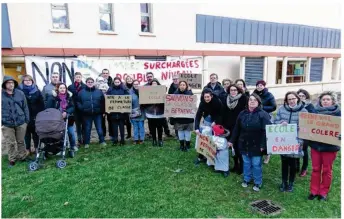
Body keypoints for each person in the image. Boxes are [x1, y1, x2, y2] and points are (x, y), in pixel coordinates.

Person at [228, 93, 271, 192]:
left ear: (258, 102)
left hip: (257, 144)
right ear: (247, 102)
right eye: (250, 100)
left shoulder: (263, 114)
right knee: (246, 163)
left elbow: (266, 131)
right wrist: (231, 140)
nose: (252, 101)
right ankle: (247, 179)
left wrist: (263, 145)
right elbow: (236, 128)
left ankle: (257, 181)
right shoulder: (242, 113)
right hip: (243, 142)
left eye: (254, 100)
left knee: (256, 164)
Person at [308, 91, 341, 201]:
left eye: (328, 99)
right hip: (316, 145)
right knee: (315, 169)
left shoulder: (339, 113)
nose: (325, 101)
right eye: (323, 99)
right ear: (320, 101)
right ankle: (314, 191)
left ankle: (323, 192)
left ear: (332, 101)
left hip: (330, 147)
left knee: (327, 170)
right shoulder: (314, 113)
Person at [274, 91, 307, 192]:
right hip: (283, 141)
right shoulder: (281, 109)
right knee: (284, 163)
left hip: (296, 141)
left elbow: (306, 128)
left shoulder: (304, 111)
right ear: (286, 101)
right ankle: (284, 182)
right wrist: (281, 123)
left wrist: (299, 132)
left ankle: (291, 183)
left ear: (297, 99)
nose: (292, 101)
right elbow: (275, 121)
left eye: (293, 98)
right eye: (289, 99)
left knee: (293, 164)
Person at [2, 76, 30, 167]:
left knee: (21, 141)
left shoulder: (20, 93)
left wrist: (26, 120)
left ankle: (23, 156)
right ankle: (12, 159)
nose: (11, 84)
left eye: (12, 82)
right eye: (8, 82)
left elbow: (25, 107)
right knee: (10, 142)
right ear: (5, 84)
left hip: (21, 122)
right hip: (7, 123)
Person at [46, 83, 77, 158]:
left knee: (71, 133)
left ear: (66, 89)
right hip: (57, 120)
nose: (62, 89)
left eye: (64, 88)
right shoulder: (53, 98)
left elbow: (72, 107)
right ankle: (60, 148)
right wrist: (58, 113)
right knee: (60, 135)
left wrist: (67, 112)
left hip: (68, 119)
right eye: (61, 88)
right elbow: (49, 108)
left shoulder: (69, 97)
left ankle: (72, 146)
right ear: (58, 89)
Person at [222, 84, 247, 175]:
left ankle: (242, 165)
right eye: (231, 90)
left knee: (238, 146)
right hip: (229, 127)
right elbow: (223, 112)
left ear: (238, 91)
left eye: (235, 90)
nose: (233, 92)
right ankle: (236, 164)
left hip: (239, 127)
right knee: (232, 147)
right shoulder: (226, 99)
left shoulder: (243, 98)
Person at [194, 88, 223, 164]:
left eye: (208, 97)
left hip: (216, 123)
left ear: (211, 96)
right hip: (206, 121)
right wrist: (196, 128)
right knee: (203, 138)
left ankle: (213, 157)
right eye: (205, 97)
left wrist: (215, 121)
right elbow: (198, 116)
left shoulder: (218, 102)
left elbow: (221, 114)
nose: (206, 98)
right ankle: (200, 156)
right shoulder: (202, 103)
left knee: (214, 140)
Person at [18, 75, 45, 154]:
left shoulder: (37, 91)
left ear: (32, 81)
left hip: (35, 116)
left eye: (30, 80)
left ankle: (36, 148)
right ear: (23, 82)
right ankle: (28, 149)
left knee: (35, 133)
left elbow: (41, 104)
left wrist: (40, 115)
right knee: (27, 134)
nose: (28, 81)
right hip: (25, 116)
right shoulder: (19, 91)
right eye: (26, 80)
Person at [77, 77, 106, 148]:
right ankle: (87, 143)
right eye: (88, 82)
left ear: (94, 83)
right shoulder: (81, 92)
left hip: (97, 114)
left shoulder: (98, 91)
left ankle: (102, 141)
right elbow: (78, 102)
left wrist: (103, 111)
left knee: (99, 128)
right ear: (86, 83)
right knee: (87, 129)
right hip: (86, 114)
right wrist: (82, 109)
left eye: (91, 82)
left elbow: (103, 102)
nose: (90, 83)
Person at [253, 80, 276, 164]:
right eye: (258, 85)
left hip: (266, 117)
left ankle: (267, 155)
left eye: (261, 85)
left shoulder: (269, 95)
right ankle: (259, 152)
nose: (259, 87)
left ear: (264, 86)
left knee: (266, 136)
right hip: (256, 117)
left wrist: (262, 108)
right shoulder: (254, 94)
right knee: (258, 135)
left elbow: (273, 106)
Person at [297, 89, 316, 177]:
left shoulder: (310, 106)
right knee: (296, 148)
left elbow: (313, 117)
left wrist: (304, 106)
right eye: (299, 96)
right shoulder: (295, 105)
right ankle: (296, 166)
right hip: (296, 130)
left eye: (302, 96)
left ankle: (304, 168)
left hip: (306, 131)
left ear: (306, 97)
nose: (301, 98)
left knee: (304, 150)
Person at [106, 77, 130, 146]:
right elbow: (108, 100)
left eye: (118, 82)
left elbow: (127, 99)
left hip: (122, 113)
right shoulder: (110, 89)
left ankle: (122, 140)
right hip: (113, 113)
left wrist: (124, 109)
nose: (117, 83)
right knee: (114, 127)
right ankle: (115, 140)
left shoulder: (124, 89)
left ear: (120, 82)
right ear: (113, 82)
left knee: (122, 126)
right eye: (115, 82)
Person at [173, 81, 194, 152]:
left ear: (186, 86)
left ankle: (187, 145)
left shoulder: (190, 94)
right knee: (180, 131)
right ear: (179, 86)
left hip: (188, 117)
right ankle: (181, 145)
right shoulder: (175, 94)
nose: (182, 86)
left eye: (184, 85)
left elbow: (193, 105)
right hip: (179, 117)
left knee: (188, 131)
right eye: (181, 85)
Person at [145, 78, 165, 146]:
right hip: (150, 113)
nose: (154, 85)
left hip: (160, 113)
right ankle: (154, 140)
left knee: (160, 128)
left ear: (158, 84)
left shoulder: (162, 92)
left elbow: (166, 102)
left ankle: (160, 140)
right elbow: (143, 102)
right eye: (152, 84)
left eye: (155, 83)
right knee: (152, 128)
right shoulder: (147, 93)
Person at [68, 72, 86, 147]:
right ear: (74, 78)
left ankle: (85, 139)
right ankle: (79, 140)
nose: (78, 78)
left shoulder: (85, 86)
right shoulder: (70, 87)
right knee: (78, 125)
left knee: (84, 125)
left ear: (81, 78)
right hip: (75, 109)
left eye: (79, 77)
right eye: (76, 77)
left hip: (83, 108)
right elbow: (69, 97)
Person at [129, 80, 145, 144]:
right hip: (133, 112)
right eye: (134, 84)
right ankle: (136, 139)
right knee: (135, 127)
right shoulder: (129, 92)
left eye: (137, 84)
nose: (136, 85)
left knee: (141, 126)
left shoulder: (143, 91)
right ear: (133, 85)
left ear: (139, 84)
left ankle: (141, 139)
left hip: (141, 112)